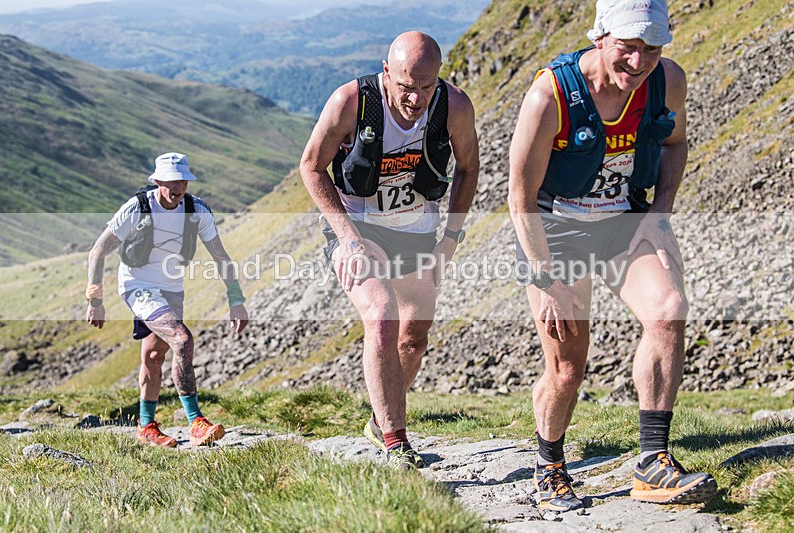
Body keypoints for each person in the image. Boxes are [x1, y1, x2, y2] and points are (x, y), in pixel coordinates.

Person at [508, 0, 716, 511]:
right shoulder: (550, 95)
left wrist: (659, 213)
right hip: (555, 234)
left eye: (652, 47)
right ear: (600, 35)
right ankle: (549, 463)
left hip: (624, 221)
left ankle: (652, 461)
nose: (639, 61)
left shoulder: (668, 81)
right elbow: (519, 194)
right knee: (566, 370)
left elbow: (675, 143)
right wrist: (545, 276)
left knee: (668, 312)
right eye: (628, 47)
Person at [300, 31, 479, 469]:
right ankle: (396, 442)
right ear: (386, 73)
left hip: (417, 230)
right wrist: (348, 239)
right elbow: (310, 165)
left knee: (413, 340)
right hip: (358, 227)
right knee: (381, 316)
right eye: (405, 87)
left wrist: (450, 241)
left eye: (426, 87)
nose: (415, 99)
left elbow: (469, 169)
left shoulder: (454, 106)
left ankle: (379, 422)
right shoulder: (350, 101)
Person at [86, 152, 248, 448]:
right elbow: (98, 250)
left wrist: (236, 298)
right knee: (182, 340)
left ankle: (146, 426)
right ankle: (196, 422)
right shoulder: (138, 207)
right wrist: (95, 297)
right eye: (172, 182)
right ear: (158, 181)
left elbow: (220, 257)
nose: (178, 188)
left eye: (183, 181)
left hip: (172, 288)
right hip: (137, 284)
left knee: (154, 356)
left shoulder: (196, 210)